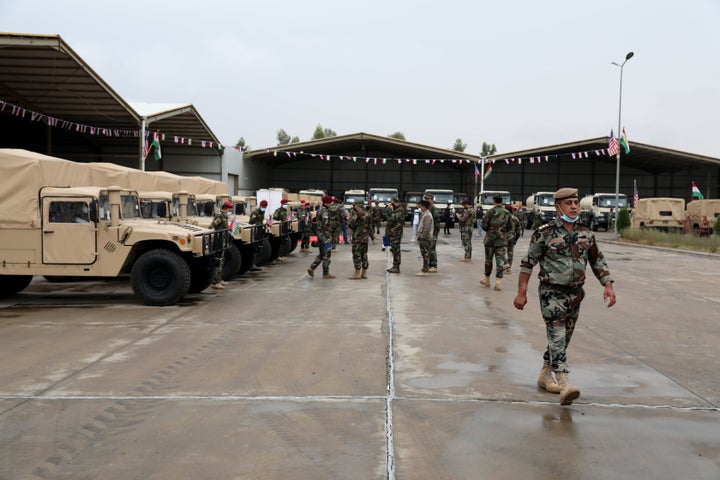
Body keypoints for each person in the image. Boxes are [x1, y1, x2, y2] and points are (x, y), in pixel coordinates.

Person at [513, 187, 617, 406]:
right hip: (552, 293)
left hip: (576, 294)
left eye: (576, 203)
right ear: (557, 206)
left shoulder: (586, 232)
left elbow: (597, 259)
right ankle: (565, 383)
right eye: (568, 203)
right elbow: (527, 264)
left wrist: (607, 284)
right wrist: (521, 293)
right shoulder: (545, 232)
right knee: (557, 335)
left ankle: (544, 374)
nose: (573, 206)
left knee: (564, 337)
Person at [480, 193, 512, 291]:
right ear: (501, 201)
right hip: (501, 240)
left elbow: (484, 225)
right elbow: (510, 227)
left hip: (490, 240)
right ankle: (498, 282)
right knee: (500, 261)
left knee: (488, 260)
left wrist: (491, 231)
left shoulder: (490, 212)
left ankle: (487, 279)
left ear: (494, 201)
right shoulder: (507, 213)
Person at [307, 195, 336, 279]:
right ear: (327, 202)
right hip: (325, 236)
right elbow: (326, 225)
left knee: (322, 253)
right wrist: (328, 237)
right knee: (327, 254)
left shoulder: (320, 210)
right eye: (330, 202)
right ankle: (325, 273)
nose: (331, 204)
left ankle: (312, 268)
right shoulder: (325, 212)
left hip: (320, 235)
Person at [209, 200, 232, 290]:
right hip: (218, 241)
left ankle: (219, 279)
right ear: (224, 209)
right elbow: (212, 226)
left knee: (222, 260)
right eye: (229, 210)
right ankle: (215, 282)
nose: (229, 212)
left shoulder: (224, 217)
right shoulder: (219, 216)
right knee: (218, 260)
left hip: (223, 241)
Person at [347, 202, 371, 279]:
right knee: (364, 255)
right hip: (365, 238)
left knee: (356, 255)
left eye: (354, 205)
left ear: (357, 206)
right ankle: (364, 273)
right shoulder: (368, 214)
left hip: (357, 238)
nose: (354, 207)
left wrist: (349, 219)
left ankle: (357, 273)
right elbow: (370, 227)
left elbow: (351, 224)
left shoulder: (357, 215)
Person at [385, 198, 405, 273]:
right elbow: (387, 218)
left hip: (396, 233)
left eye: (393, 203)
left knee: (396, 250)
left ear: (397, 203)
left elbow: (393, 218)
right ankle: (395, 265)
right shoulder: (395, 210)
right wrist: (388, 209)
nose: (392, 205)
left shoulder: (400, 210)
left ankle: (396, 266)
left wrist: (391, 209)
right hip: (392, 233)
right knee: (393, 249)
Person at [247, 200, 268, 271]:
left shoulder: (262, 212)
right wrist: (257, 223)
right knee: (255, 248)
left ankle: (254, 263)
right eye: (263, 206)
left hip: (260, 231)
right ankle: (251, 265)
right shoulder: (255, 213)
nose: (264, 208)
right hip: (255, 231)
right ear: (260, 205)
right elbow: (250, 222)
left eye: (265, 207)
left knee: (259, 247)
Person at [424, 193, 440, 272]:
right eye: (425, 199)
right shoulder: (427, 208)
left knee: (432, 248)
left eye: (428, 199)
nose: (426, 200)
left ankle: (434, 265)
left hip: (433, 232)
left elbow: (435, 222)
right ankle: (429, 265)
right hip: (428, 232)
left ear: (432, 199)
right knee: (428, 249)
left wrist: (434, 233)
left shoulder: (433, 209)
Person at [504, 206, 522, 274]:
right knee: (510, 253)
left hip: (504, 237)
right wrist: (516, 239)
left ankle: (505, 264)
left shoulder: (504, 218)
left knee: (500, 252)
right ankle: (509, 267)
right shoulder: (516, 218)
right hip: (512, 237)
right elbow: (518, 231)